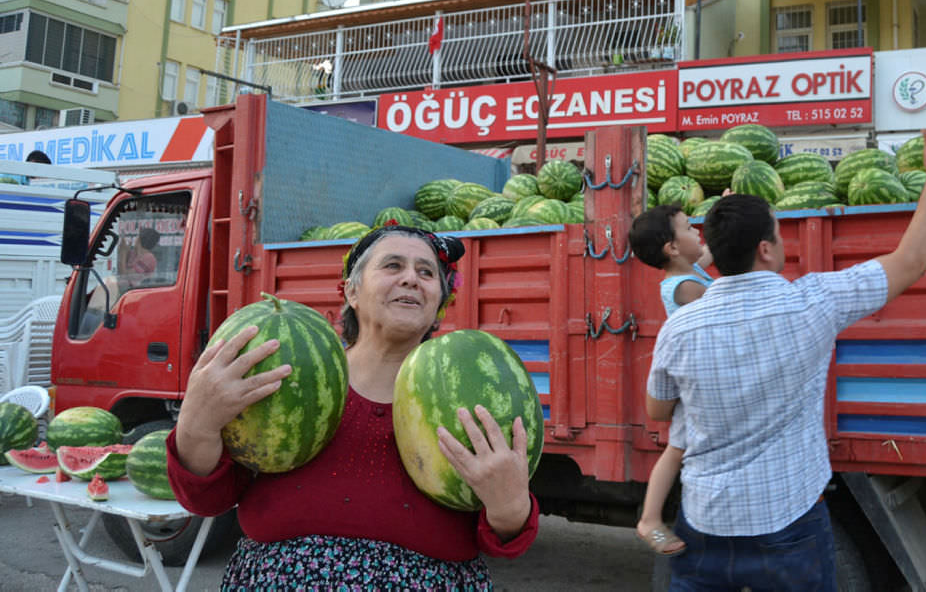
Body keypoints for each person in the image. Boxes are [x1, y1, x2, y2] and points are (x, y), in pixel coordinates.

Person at [645, 111, 926, 591]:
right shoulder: (814, 302)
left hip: (706, 528)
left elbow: (658, 410)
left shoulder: (680, 328)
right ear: (765, 250)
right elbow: (911, 260)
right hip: (790, 526)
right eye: (778, 233)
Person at [166, 224, 539, 589]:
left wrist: (509, 507)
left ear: (440, 301)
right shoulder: (295, 375)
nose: (411, 278)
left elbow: (505, 539)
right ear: (351, 292)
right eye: (393, 266)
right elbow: (207, 499)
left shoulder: (467, 391)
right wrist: (198, 424)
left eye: (427, 272)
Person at [628, 204, 716, 557]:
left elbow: (712, 252)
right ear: (672, 248)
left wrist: (722, 215)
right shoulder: (687, 287)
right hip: (691, 384)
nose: (698, 232)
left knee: (677, 450)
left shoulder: (688, 272)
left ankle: (653, 517)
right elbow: (724, 304)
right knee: (676, 450)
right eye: (689, 227)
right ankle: (649, 519)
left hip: (695, 380)